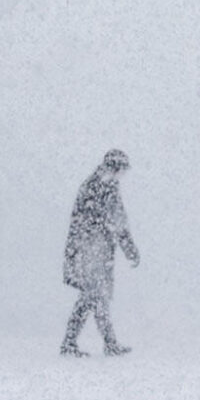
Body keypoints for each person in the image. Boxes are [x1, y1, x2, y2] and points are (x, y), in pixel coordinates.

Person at [59, 149, 141, 357]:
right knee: (92, 297)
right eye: (122, 170)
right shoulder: (100, 187)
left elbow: (114, 222)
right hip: (93, 253)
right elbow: (115, 222)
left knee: (96, 298)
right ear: (115, 167)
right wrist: (129, 248)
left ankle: (105, 343)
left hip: (95, 253)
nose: (123, 175)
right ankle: (74, 343)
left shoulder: (101, 185)